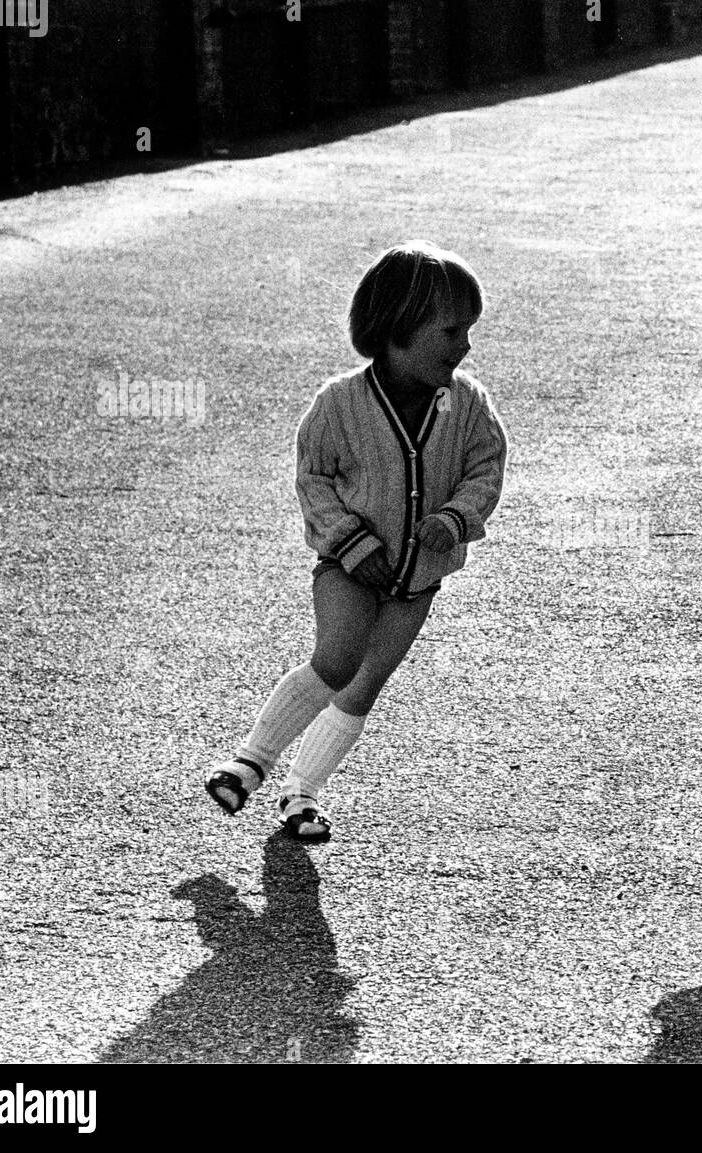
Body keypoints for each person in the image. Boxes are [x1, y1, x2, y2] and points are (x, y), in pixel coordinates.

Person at [205, 242, 508, 840]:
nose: (465, 346)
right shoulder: (338, 404)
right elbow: (313, 477)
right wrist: (347, 541)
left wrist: (454, 519)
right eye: (451, 331)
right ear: (396, 330)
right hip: (348, 565)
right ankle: (252, 762)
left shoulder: (468, 404)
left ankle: (302, 794)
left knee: (364, 685)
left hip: (418, 578)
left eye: (468, 330)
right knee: (337, 660)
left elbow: (486, 466)